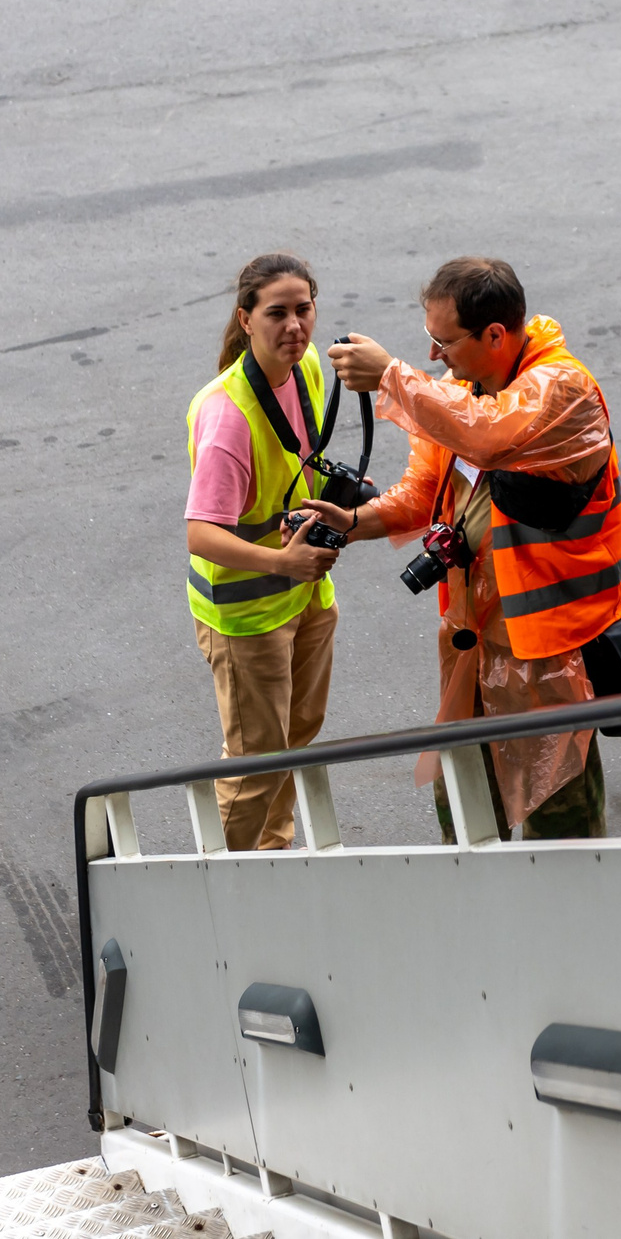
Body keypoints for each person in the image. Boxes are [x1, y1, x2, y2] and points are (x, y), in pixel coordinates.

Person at [306, 259, 621, 843]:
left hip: (549, 658)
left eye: (445, 341)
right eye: (429, 340)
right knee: (466, 827)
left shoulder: (564, 392)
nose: (436, 356)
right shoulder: (462, 392)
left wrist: (392, 377)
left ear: (495, 334)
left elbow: (490, 432)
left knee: (563, 837)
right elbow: (424, 491)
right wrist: (356, 520)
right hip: (472, 647)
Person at [184, 254, 347, 850]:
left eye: (303, 310)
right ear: (246, 320)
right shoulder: (227, 416)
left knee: (295, 737)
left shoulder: (305, 371)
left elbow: (296, 473)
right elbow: (201, 534)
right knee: (256, 764)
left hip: (304, 593)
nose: (295, 326)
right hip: (248, 613)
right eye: (276, 313)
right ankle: (216, 887)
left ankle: (270, 856)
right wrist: (283, 562)